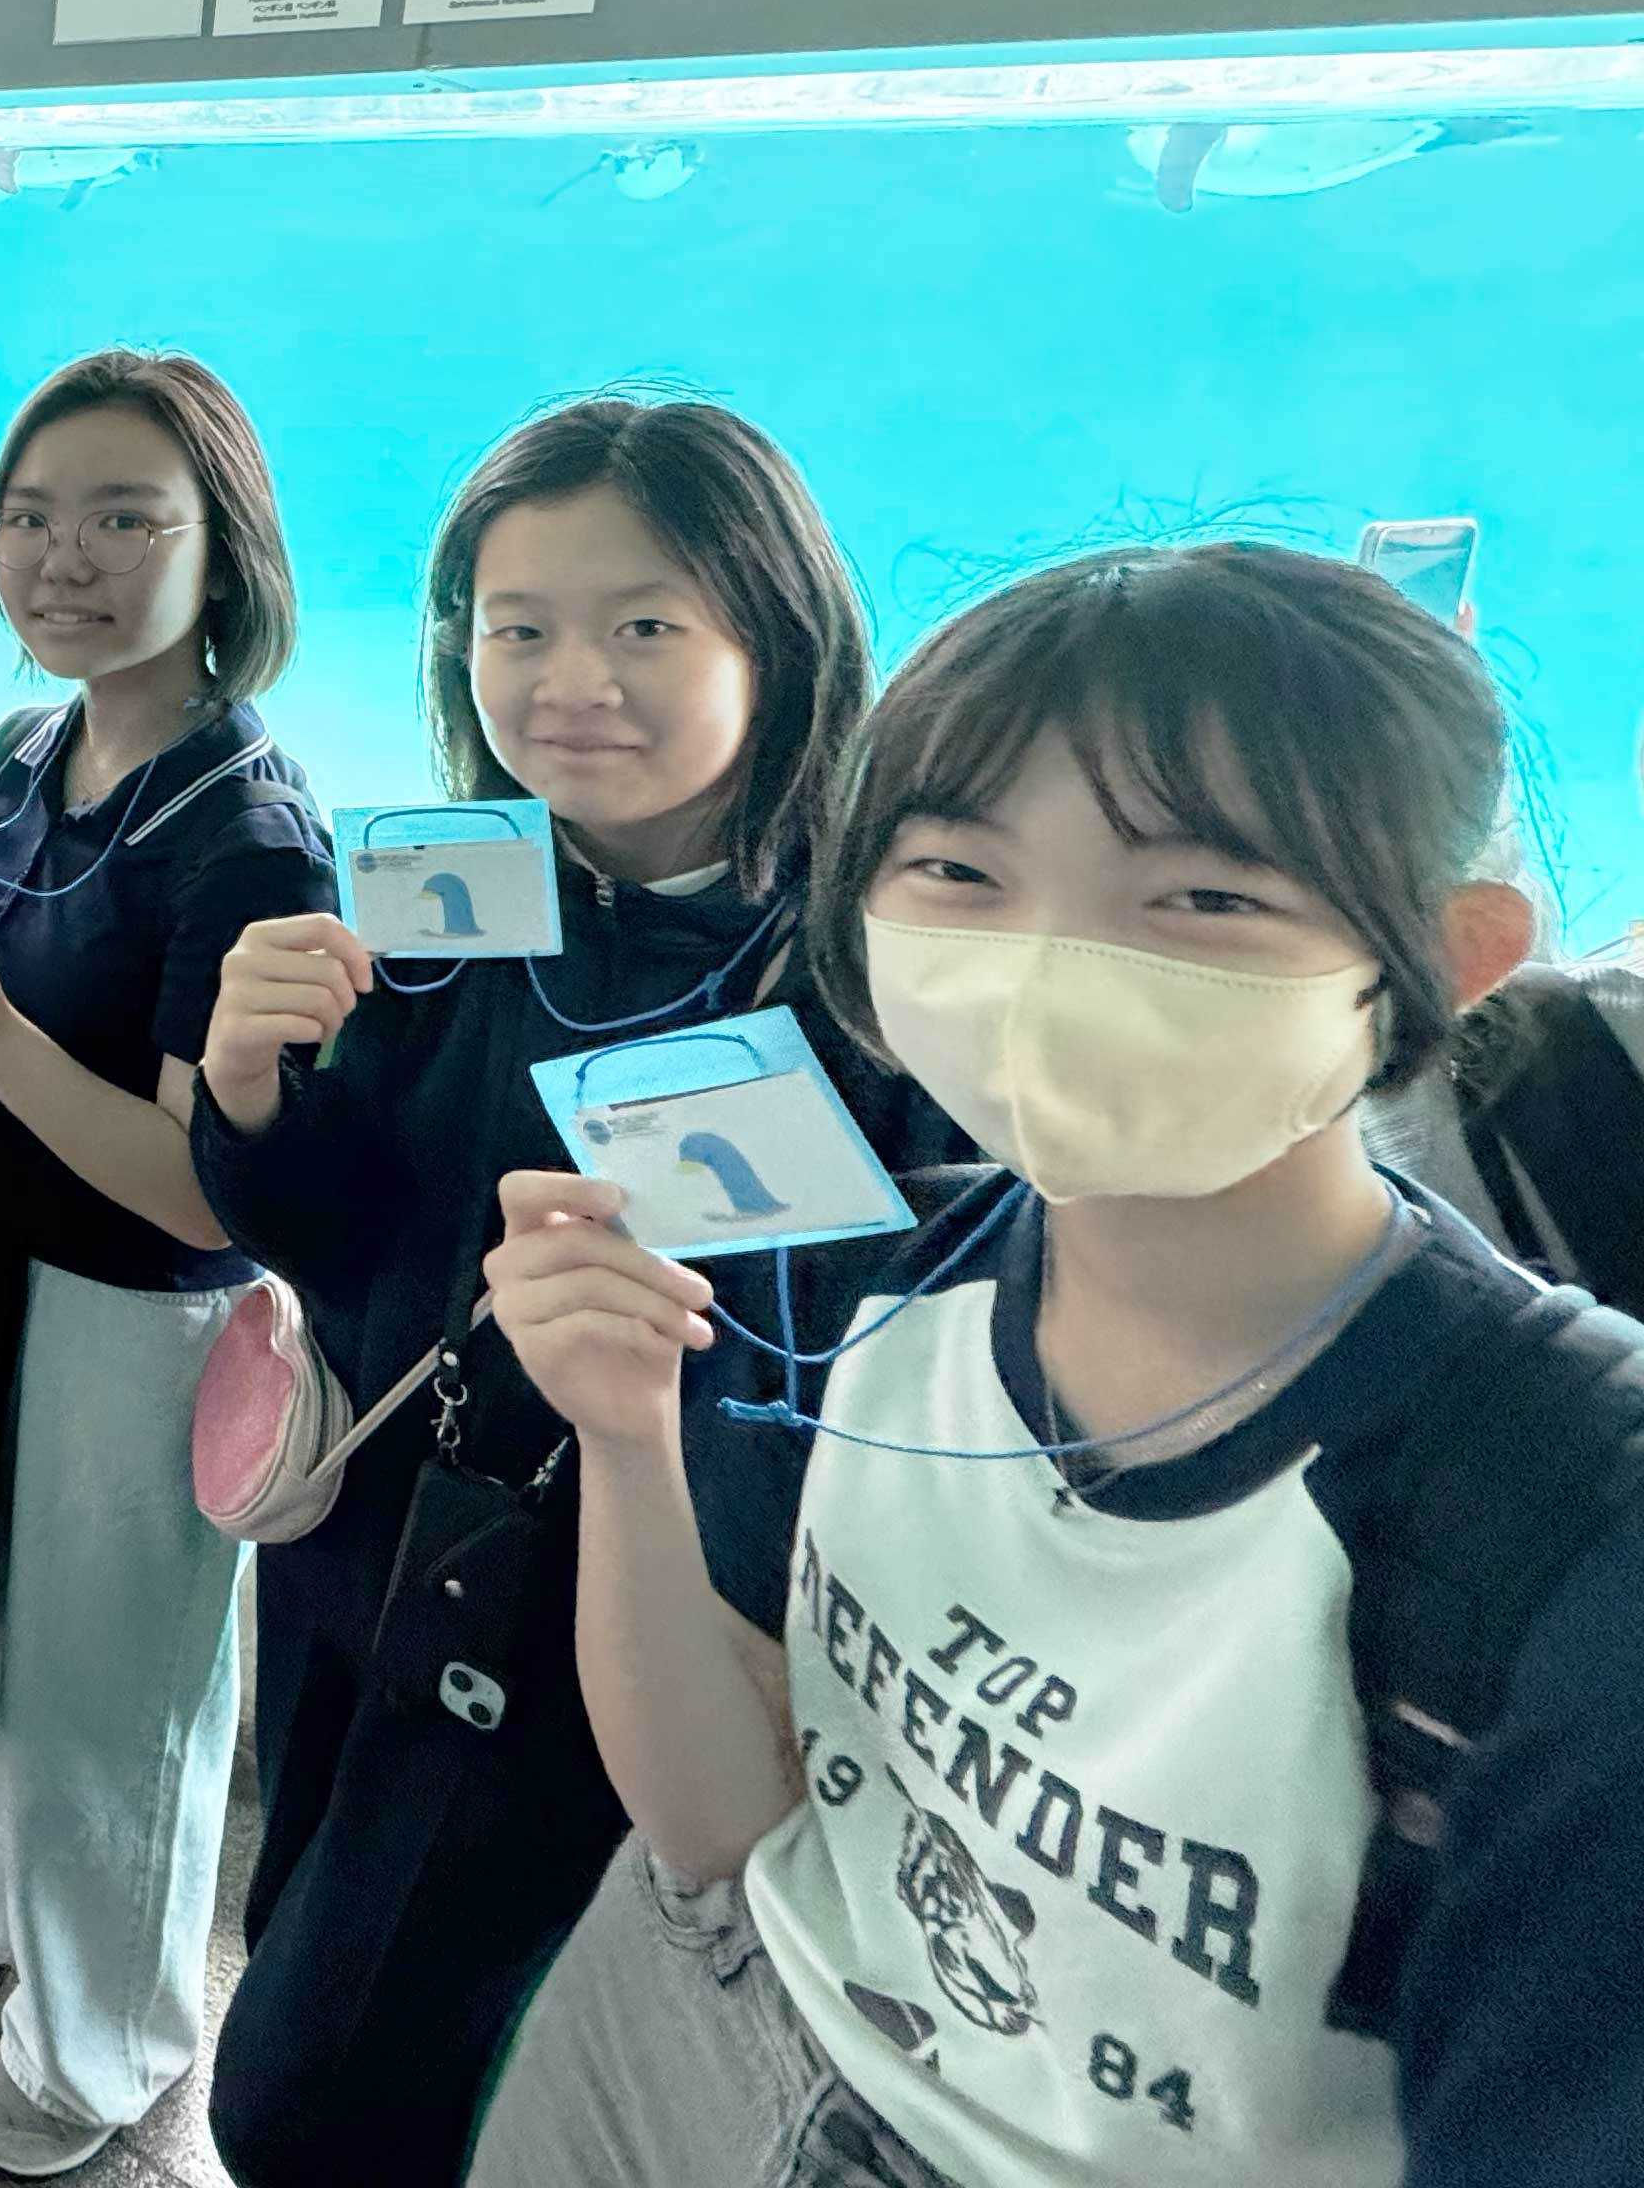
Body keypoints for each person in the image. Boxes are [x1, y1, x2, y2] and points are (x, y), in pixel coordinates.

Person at [467, 539, 1644, 2188]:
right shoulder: (875, 1271)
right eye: (958, 871)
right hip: (679, 2036)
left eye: (1204, 896)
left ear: (1446, 953)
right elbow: (725, 1828)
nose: (1044, 963)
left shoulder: (1570, 1506)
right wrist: (624, 1436)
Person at [188, 395, 950, 2188]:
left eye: (644, 624)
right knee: (311, 1969)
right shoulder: (454, 896)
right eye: (516, 626)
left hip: (649, 1625)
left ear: (778, 636)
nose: (567, 682)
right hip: (379, 1555)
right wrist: (247, 1089)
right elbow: (346, 1230)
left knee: (417, 2082)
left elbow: (895, 1371)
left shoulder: (873, 979)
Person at [0, 350, 333, 2177]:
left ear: (225, 555)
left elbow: (204, 1194)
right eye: (32, 515)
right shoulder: (28, 745)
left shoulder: (249, 834)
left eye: (127, 517)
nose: (65, 556)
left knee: (111, 1711)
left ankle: (100, 2045)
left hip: (138, 1322)